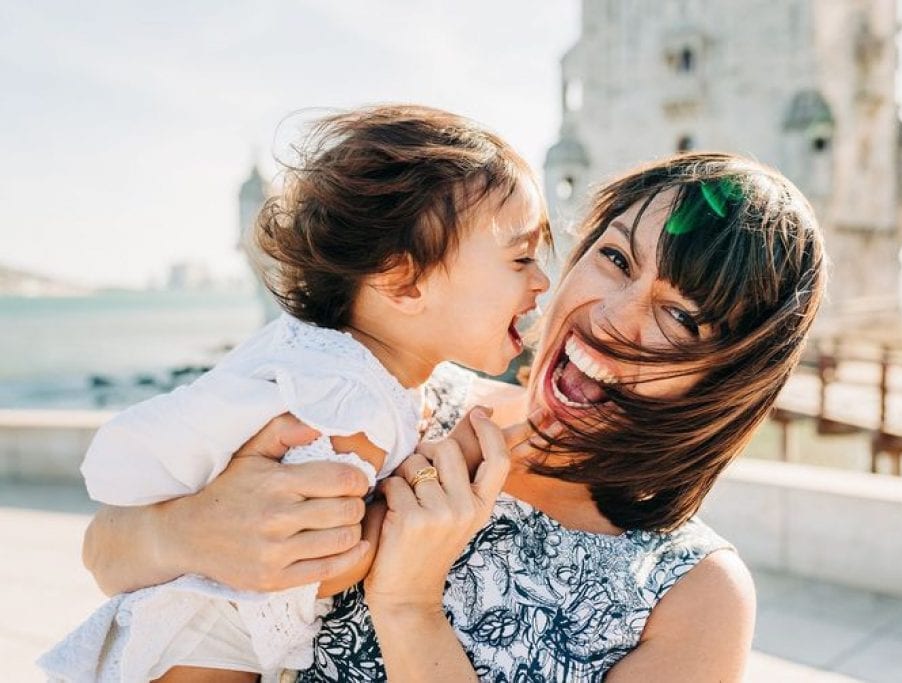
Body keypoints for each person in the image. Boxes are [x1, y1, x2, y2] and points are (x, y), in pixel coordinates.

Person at [80, 151, 826, 681]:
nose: (614, 318)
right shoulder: (392, 397)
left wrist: (409, 606)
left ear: (731, 374)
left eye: (684, 318)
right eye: (617, 259)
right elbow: (108, 554)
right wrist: (184, 529)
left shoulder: (695, 595)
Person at [39, 105, 551, 682]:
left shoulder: (325, 363)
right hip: (204, 648)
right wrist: (445, 475)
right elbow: (315, 564)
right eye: (521, 258)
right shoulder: (346, 402)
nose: (542, 281)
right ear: (404, 282)